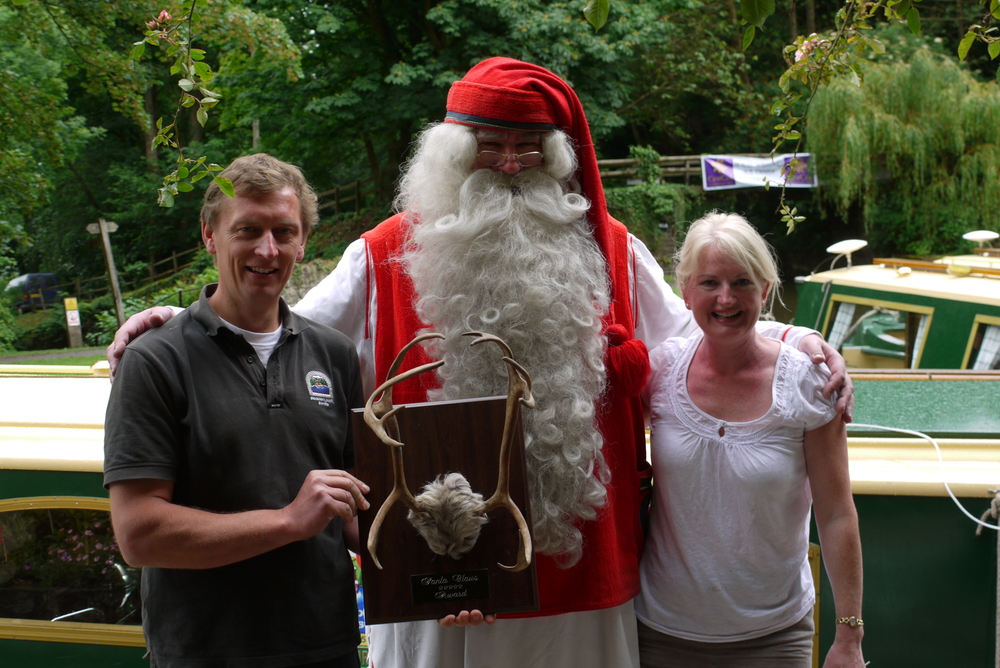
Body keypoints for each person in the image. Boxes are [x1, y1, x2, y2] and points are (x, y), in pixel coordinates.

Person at [107, 59, 853, 668]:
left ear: (554, 156)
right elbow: (281, 328)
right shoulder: (385, 250)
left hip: (582, 579)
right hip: (436, 575)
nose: (506, 162)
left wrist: (795, 344)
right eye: (487, 145)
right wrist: (176, 320)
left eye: (526, 147)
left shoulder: (612, 247)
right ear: (453, 151)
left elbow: (694, 338)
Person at [104, 153, 370, 668]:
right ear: (210, 234)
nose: (267, 250)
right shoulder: (155, 360)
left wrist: (447, 581)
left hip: (326, 650)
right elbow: (139, 534)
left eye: (284, 232)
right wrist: (288, 521)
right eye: (248, 229)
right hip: (204, 655)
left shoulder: (335, 355)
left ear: (304, 240)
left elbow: (358, 510)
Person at [636, 212, 864, 668]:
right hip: (660, 633)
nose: (725, 298)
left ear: (764, 290)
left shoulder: (809, 383)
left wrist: (849, 637)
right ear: (685, 292)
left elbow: (837, 514)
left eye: (741, 282)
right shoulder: (658, 373)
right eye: (709, 283)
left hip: (774, 638)